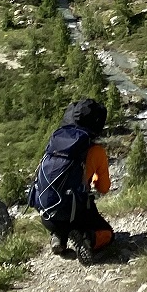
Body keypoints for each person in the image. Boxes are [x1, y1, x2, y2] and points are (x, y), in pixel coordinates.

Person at [29, 98, 115, 262]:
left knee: (63, 204)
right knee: (108, 234)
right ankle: (87, 238)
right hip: (76, 212)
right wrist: (95, 176)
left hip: (47, 214)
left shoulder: (55, 143)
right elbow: (103, 188)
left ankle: (58, 236)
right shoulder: (95, 151)